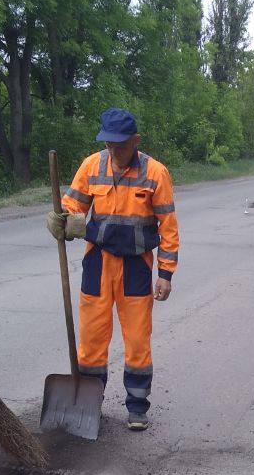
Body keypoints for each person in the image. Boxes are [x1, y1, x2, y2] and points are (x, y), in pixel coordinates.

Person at [47, 108, 179, 431]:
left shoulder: (155, 173)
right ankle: (90, 407)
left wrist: (165, 273)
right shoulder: (92, 166)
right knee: (92, 340)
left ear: (135, 141)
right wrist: (61, 217)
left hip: (136, 265)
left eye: (120, 145)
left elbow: (169, 227)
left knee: (137, 341)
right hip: (97, 262)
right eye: (108, 144)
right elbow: (73, 204)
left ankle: (137, 407)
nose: (114, 151)